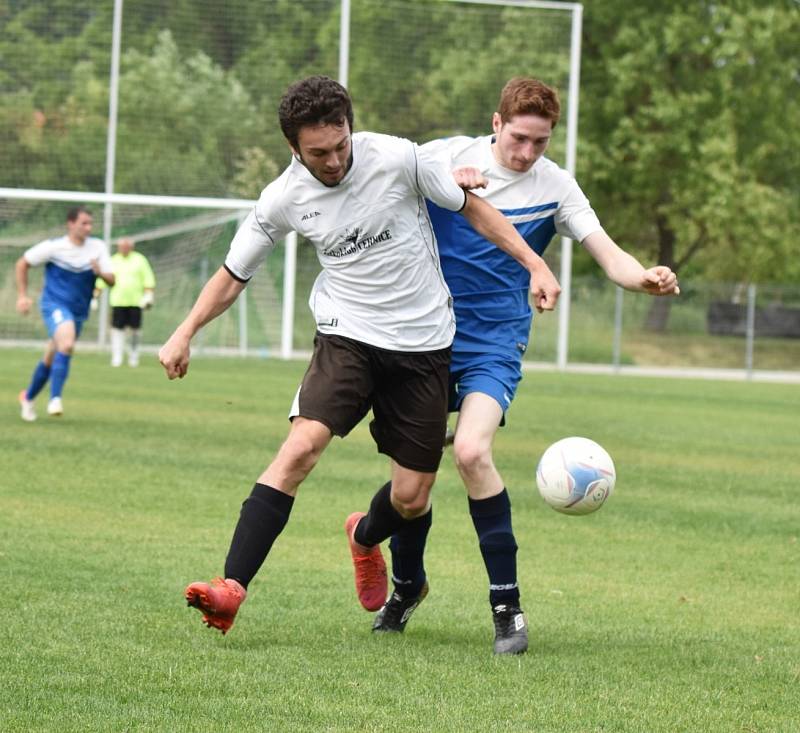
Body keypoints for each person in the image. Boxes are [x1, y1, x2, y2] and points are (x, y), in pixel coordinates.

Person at [158, 75, 561, 637]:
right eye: (318, 153)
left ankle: (365, 537)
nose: (333, 160)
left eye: (341, 144)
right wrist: (185, 332)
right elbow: (233, 274)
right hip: (347, 337)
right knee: (302, 446)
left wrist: (535, 265)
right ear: (294, 149)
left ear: (350, 126)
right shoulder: (283, 197)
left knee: (412, 496)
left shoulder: (397, 158)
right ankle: (231, 587)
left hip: (423, 345)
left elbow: (473, 209)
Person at [377, 77, 680, 655]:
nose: (527, 153)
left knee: (470, 452)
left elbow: (608, 252)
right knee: (410, 491)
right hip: (424, 338)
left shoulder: (557, 185)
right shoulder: (444, 157)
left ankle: (507, 610)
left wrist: (643, 277)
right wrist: (447, 184)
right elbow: (382, 190)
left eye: (540, 143)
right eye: (519, 139)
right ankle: (404, 583)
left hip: (496, 341)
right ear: (496, 123)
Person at [16, 206, 115, 421]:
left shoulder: (98, 247)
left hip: (79, 310)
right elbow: (22, 263)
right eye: (84, 223)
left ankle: (28, 397)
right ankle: (55, 399)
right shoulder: (54, 247)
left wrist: (100, 272)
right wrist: (22, 296)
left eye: (90, 223)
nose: (88, 228)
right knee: (67, 344)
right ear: (71, 224)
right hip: (54, 305)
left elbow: (112, 280)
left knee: (53, 354)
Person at [94, 237, 156, 367]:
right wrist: (95, 296)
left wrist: (149, 294)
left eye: (127, 246)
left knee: (135, 330)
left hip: (135, 301)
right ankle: (117, 356)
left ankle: (134, 356)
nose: (124, 249)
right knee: (117, 329)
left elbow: (148, 278)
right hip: (118, 301)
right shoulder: (113, 260)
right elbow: (103, 280)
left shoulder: (140, 260)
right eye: (122, 246)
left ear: (131, 247)